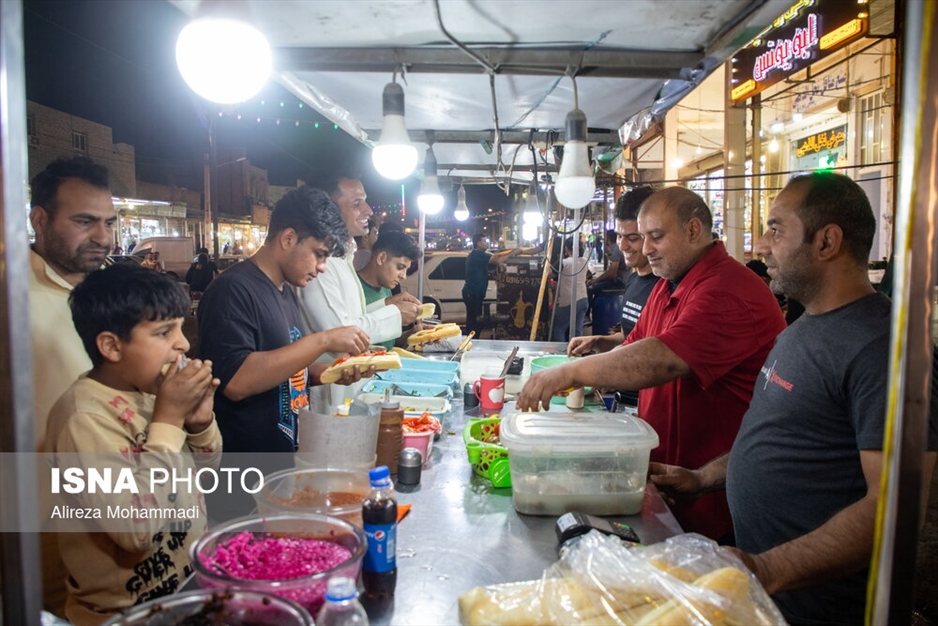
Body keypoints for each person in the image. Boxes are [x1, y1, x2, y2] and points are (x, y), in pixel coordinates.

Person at [648, 172, 938, 625]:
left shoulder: (884, 348)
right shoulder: (802, 329)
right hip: (766, 598)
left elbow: (896, 507)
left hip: (820, 607)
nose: (761, 246)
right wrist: (702, 478)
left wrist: (766, 568)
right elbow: (783, 436)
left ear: (827, 242)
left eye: (776, 229)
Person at [517, 186, 786, 541]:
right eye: (642, 238)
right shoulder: (668, 285)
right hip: (670, 488)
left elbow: (663, 359)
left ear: (693, 230)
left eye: (655, 237)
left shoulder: (727, 288)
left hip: (716, 498)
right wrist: (591, 371)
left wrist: (570, 371)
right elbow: (634, 347)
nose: (645, 249)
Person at [44, 263, 223, 624]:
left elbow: (205, 477)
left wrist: (199, 423)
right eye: (163, 332)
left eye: (179, 327)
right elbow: (135, 530)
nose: (184, 343)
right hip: (127, 613)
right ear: (111, 345)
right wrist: (169, 421)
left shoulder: (150, 393)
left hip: (185, 589)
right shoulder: (84, 418)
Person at [198, 186, 371, 455]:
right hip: (246, 467)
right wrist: (324, 339)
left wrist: (334, 372)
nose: (322, 266)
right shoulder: (233, 290)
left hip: (284, 455)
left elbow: (286, 369)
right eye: (319, 253)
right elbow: (236, 381)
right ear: (288, 238)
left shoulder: (285, 290)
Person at [28, 156, 117, 616]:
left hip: (122, 533)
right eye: (85, 221)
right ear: (39, 220)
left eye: (109, 222)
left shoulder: (114, 298)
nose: (102, 237)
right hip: (39, 543)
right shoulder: (11, 299)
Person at [297, 172, 422, 408]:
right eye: (357, 204)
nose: (368, 211)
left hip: (350, 388)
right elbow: (340, 332)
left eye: (365, 201)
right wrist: (394, 313)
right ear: (329, 209)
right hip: (327, 393)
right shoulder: (322, 265)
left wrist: (388, 305)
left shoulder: (342, 257)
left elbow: (352, 316)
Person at [567, 186, 658, 407]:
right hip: (625, 401)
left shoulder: (667, 288)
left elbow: (660, 356)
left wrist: (608, 371)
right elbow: (630, 338)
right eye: (620, 236)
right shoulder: (634, 281)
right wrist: (598, 341)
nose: (623, 245)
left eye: (633, 238)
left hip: (649, 402)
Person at [357, 230, 423, 350]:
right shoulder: (353, 287)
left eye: (406, 270)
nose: (403, 276)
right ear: (381, 258)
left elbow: (388, 344)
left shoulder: (386, 289)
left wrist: (413, 335)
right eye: (400, 267)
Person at [463, 233, 529, 337]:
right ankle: (471, 341)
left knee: (476, 320)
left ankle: (473, 339)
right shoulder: (477, 254)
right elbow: (498, 260)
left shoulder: (479, 255)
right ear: (478, 243)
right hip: (473, 292)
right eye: (485, 242)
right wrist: (513, 252)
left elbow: (497, 257)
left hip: (476, 292)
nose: (487, 244)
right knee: (474, 321)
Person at [550, 237, 589, 342]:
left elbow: (549, 275)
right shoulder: (584, 261)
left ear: (566, 248)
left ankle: (561, 355)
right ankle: (577, 354)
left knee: (559, 329)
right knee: (577, 330)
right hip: (583, 299)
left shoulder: (564, 262)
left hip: (569, 301)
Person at [585, 229, 627, 314]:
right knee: (594, 284)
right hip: (619, 280)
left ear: (608, 238)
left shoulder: (616, 249)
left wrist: (595, 280)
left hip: (619, 283)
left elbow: (612, 273)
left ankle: (586, 314)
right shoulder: (614, 248)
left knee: (590, 288)